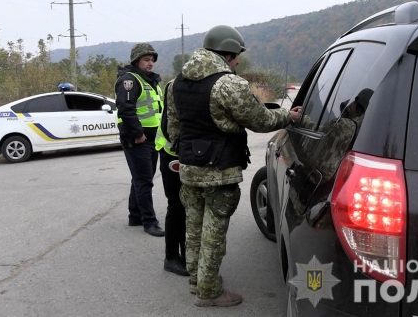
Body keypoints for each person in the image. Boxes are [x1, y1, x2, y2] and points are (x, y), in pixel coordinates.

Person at [166, 25, 301, 307]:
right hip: (220, 169)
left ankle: (196, 281)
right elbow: (261, 121)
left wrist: (189, 151)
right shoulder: (229, 84)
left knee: (194, 228)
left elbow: (173, 128)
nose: (238, 61)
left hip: (189, 167)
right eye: (236, 56)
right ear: (226, 53)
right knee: (214, 232)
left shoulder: (176, 83)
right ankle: (209, 292)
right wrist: (289, 117)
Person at [115, 43, 165, 237]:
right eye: (146, 59)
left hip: (152, 138)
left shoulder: (150, 80)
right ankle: (149, 222)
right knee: (144, 180)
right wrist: (138, 134)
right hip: (137, 138)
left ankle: (135, 215)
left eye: (152, 60)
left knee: (142, 177)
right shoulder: (129, 80)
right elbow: (126, 110)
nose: (150, 63)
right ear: (136, 60)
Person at [155, 79, 188, 276]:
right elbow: (170, 126)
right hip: (172, 154)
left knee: (186, 208)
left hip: (184, 154)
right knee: (176, 206)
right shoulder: (178, 86)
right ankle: (171, 258)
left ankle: (186, 255)